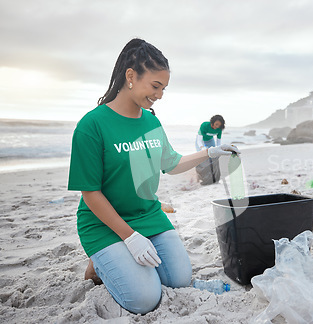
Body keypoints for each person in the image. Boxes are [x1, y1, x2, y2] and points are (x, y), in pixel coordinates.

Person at [67, 38, 239, 315]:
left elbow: (171, 163)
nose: (159, 95)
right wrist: (131, 237)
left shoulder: (151, 121)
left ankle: (119, 261)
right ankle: (99, 262)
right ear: (131, 76)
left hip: (148, 215)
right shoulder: (92, 125)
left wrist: (210, 153)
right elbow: (90, 193)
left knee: (178, 279)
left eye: (164, 89)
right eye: (155, 86)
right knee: (145, 299)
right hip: (105, 224)